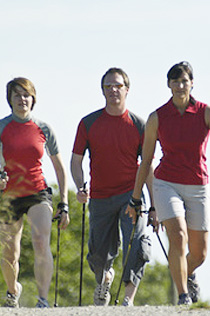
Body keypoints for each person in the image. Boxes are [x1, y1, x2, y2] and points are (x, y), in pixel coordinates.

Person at [70, 67, 157, 306]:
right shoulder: (88, 123)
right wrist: (80, 186)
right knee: (98, 254)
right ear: (102, 91)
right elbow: (76, 160)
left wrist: (154, 206)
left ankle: (127, 299)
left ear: (127, 90)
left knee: (137, 243)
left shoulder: (140, 124)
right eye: (108, 87)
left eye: (118, 86)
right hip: (99, 196)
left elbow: (148, 166)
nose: (113, 90)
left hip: (132, 195)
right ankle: (105, 278)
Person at [126, 61, 210, 305]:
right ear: (168, 85)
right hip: (167, 183)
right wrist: (135, 197)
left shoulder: (204, 112)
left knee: (200, 253)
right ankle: (184, 295)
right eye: (175, 81)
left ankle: (188, 270)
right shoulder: (157, 117)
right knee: (178, 235)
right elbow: (146, 160)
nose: (180, 85)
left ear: (192, 83)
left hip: (198, 184)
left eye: (184, 80)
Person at [0, 77, 70, 308]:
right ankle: (13, 291)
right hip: (9, 195)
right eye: (17, 95)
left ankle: (43, 300)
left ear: (33, 99)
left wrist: (64, 204)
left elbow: (59, 167)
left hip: (37, 192)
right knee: (10, 254)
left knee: (41, 241)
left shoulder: (44, 128)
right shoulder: (2, 128)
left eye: (26, 95)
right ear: (9, 100)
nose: (22, 99)